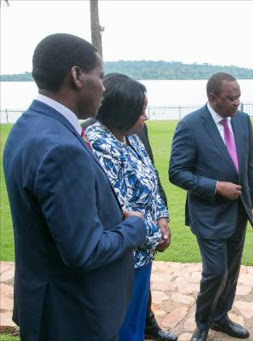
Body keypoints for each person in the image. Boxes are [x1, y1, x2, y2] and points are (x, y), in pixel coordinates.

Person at [2, 33, 146, 341]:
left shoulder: (26, 127)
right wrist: (133, 227)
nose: (104, 87)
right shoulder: (60, 148)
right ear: (77, 76)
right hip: (72, 316)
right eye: (101, 76)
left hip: (44, 302)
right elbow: (84, 251)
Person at [169, 72, 253, 341]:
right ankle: (202, 322)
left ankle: (221, 317)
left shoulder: (244, 121)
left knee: (231, 272)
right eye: (231, 98)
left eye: (239, 98)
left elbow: (248, 166)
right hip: (208, 214)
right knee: (216, 272)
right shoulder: (190, 125)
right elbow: (176, 172)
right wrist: (215, 187)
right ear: (212, 98)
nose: (237, 103)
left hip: (239, 212)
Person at [84, 73, 172, 341]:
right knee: (121, 327)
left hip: (143, 254)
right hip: (121, 255)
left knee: (134, 323)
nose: (146, 116)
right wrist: (158, 237)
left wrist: (162, 217)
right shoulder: (98, 143)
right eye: (141, 111)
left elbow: (151, 178)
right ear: (122, 112)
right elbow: (117, 208)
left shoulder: (131, 136)